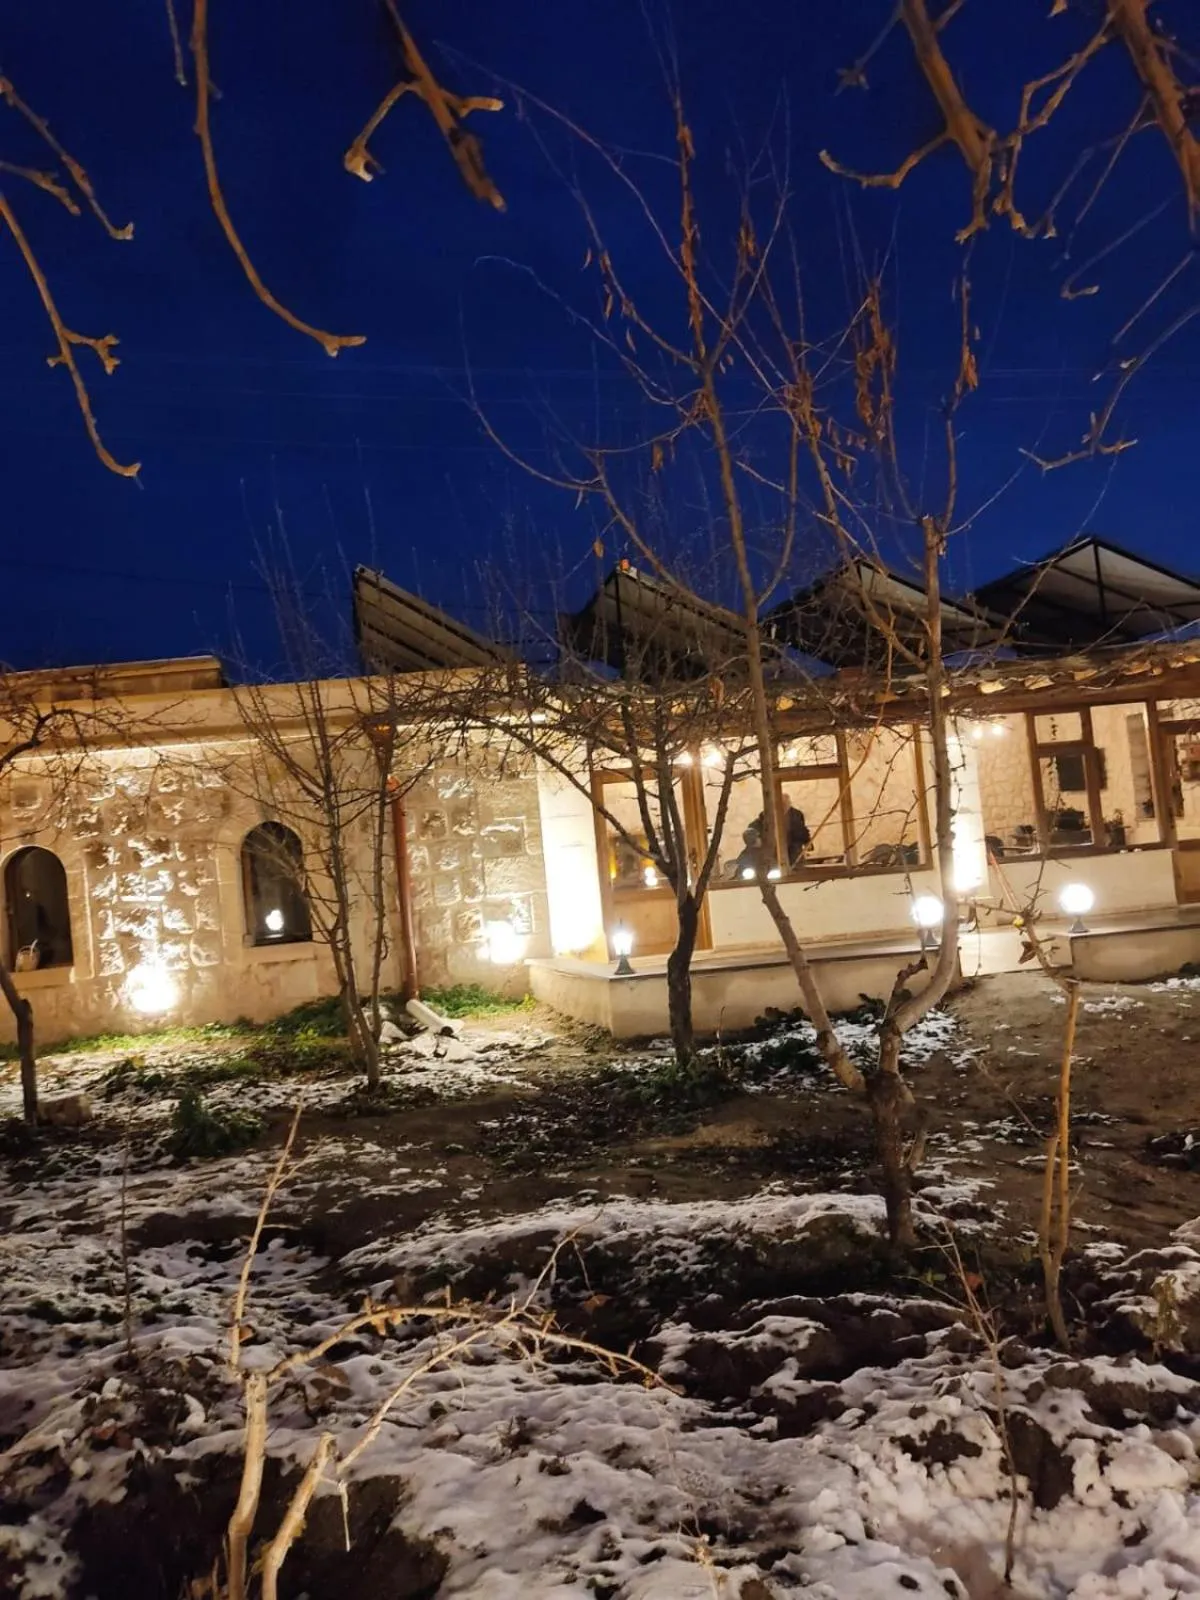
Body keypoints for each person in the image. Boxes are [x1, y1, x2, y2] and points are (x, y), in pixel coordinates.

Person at [731, 804, 810, 876]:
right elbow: (750, 835)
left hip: (786, 862)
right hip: (760, 860)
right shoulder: (758, 824)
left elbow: (802, 836)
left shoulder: (794, 821)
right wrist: (753, 839)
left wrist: (805, 842)